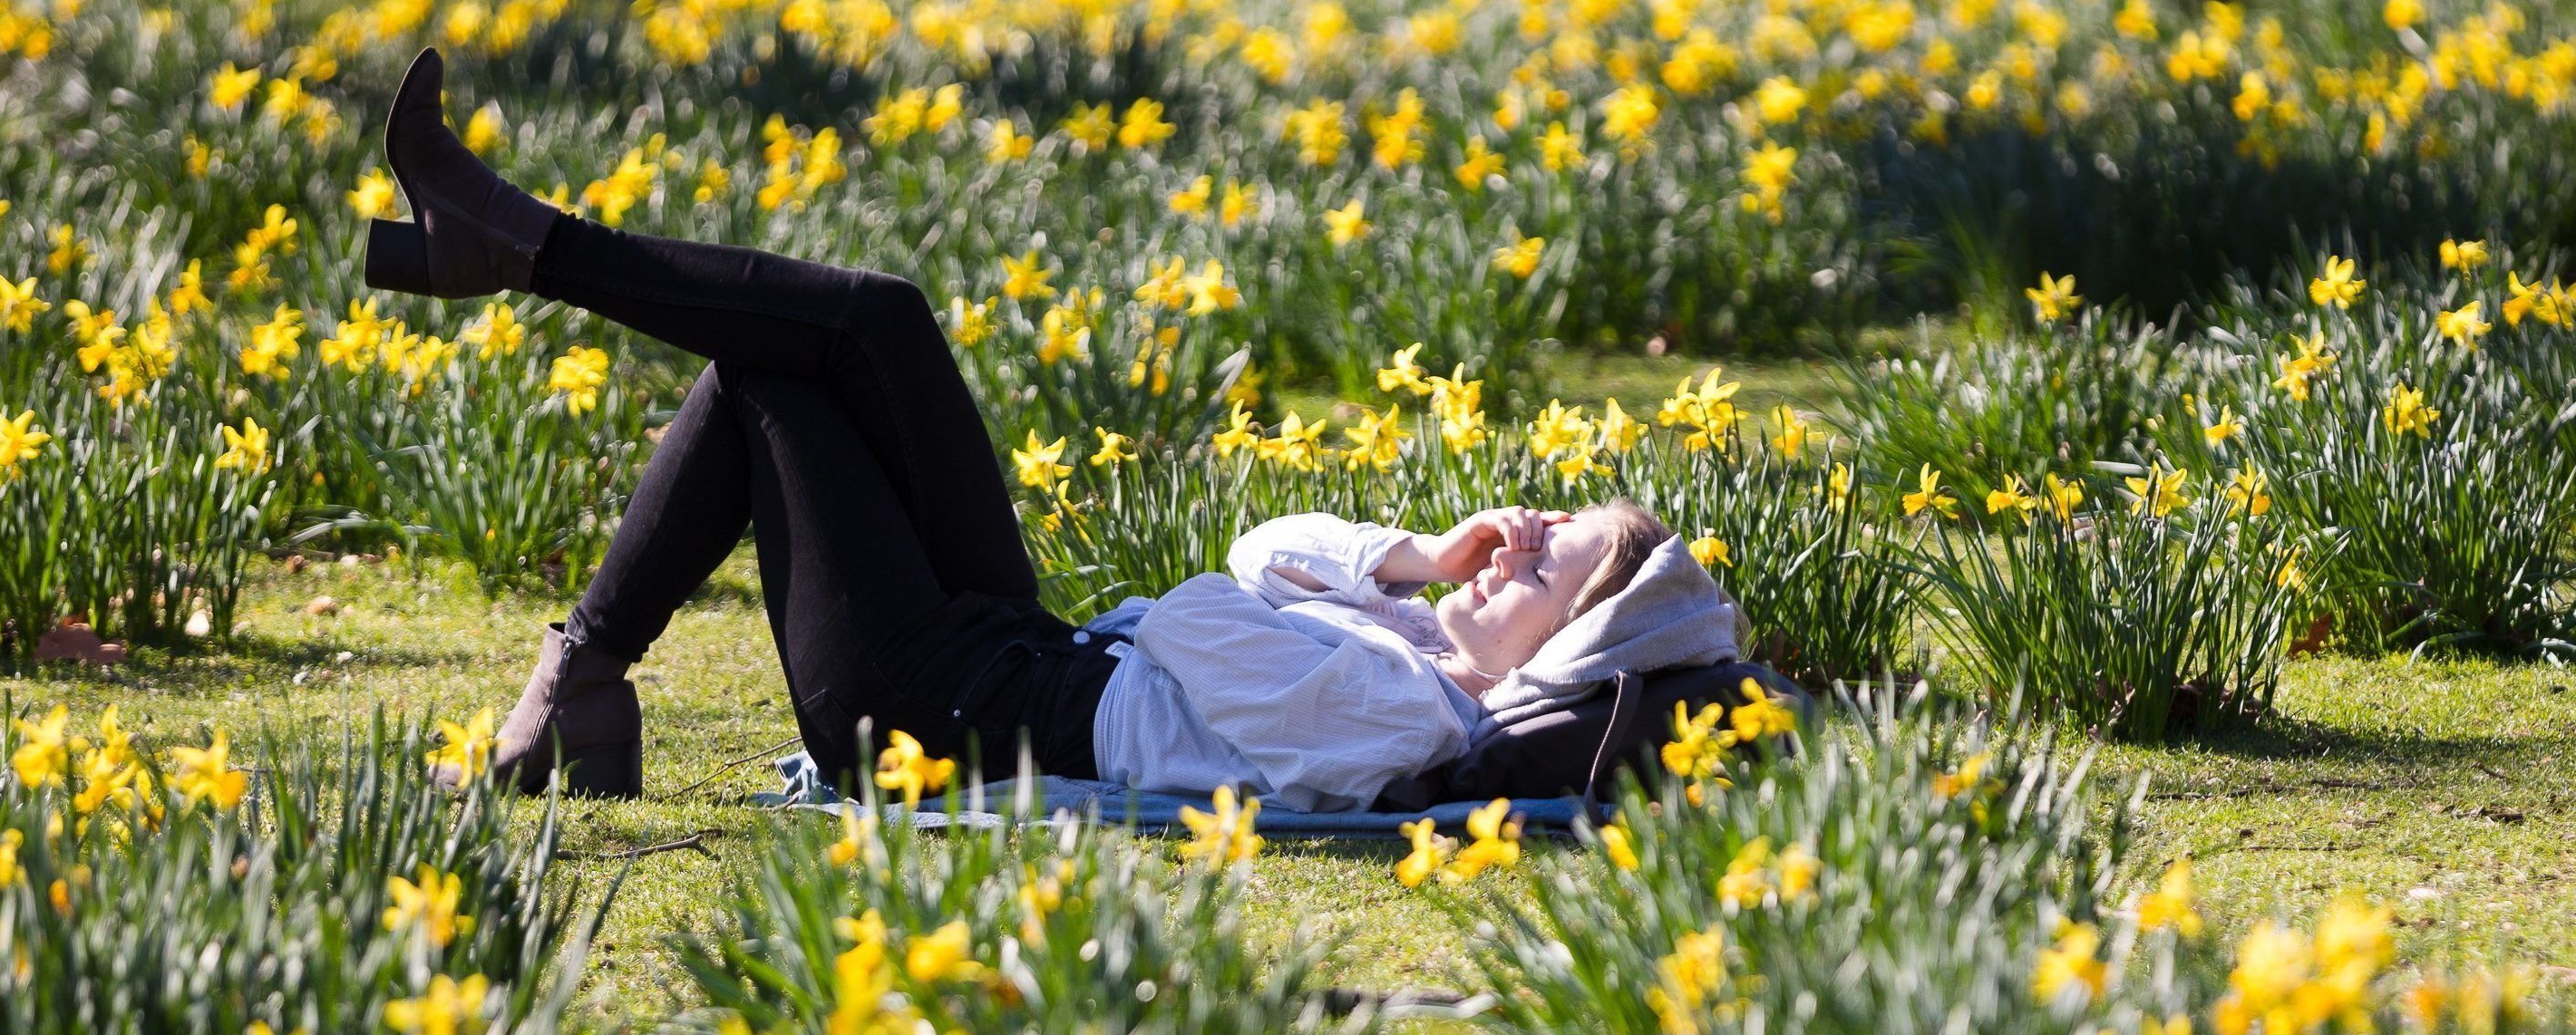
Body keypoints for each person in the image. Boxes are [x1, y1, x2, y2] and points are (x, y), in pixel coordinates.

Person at [365, 50, 1747, 810]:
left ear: (1568, 651)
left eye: (1548, 565)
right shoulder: (1412, 638)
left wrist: (1400, 626)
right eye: (1541, 527)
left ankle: (518, 269)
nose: (1519, 543)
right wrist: (1415, 565)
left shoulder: (1406, 708)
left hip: (940, 720)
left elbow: (1211, 609)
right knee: (875, 320)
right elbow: (1265, 547)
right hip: (1022, 658)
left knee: (765, 377)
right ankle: (524, 258)